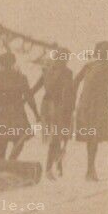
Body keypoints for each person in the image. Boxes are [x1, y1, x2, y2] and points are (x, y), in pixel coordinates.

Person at [73, 41, 108, 181]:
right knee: (91, 138)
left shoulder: (107, 69)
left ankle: (90, 169)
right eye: (103, 51)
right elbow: (76, 81)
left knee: (93, 138)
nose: (104, 55)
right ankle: (90, 170)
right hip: (87, 105)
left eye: (107, 52)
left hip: (98, 106)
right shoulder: (90, 66)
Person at [0, 51, 38, 169]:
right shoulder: (20, 77)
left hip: (0, 113)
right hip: (16, 113)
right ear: (13, 63)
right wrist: (36, 113)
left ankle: (0, 166)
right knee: (19, 139)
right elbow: (29, 96)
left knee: (2, 142)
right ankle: (10, 162)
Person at [33, 50, 77, 178]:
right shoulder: (67, 73)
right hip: (59, 108)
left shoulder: (47, 71)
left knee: (57, 138)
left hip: (48, 107)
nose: (65, 60)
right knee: (58, 138)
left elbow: (35, 88)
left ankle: (57, 165)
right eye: (64, 58)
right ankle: (50, 168)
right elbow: (68, 91)